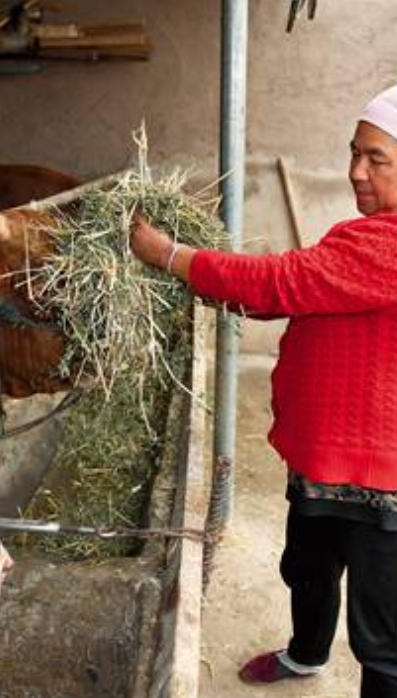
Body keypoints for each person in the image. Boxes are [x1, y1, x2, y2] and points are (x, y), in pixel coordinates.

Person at [130, 85, 397, 698]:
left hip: (378, 473)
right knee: (309, 569)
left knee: (381, 635)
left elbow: (282, 281)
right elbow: (303, 295)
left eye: (375, 158)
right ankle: (306, 657)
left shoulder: (387, 244)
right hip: (326, 454)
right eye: (353, 153)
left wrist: (171, 255)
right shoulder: (361, 235)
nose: (355, 170)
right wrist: (232, 292)